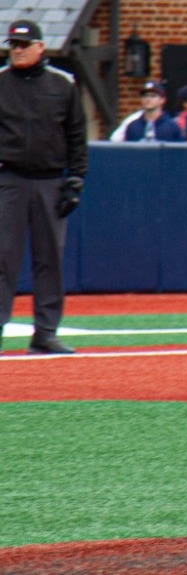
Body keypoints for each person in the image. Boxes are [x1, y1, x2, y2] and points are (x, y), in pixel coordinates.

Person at [0, 19, 87, 355]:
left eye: (23, 45)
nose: (17, 51)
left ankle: (46, 333)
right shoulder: (1, 82)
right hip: (10, 179)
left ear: (40, 47)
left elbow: (77, 135)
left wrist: (76, 179)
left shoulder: (62, 84)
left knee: (49, 259)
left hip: (50, 181)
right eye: (13, 45)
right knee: (3, 257)